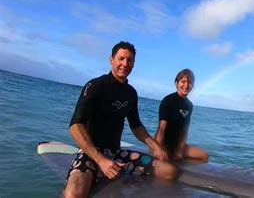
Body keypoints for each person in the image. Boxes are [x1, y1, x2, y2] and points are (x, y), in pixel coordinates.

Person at [64, 41, 176, 198]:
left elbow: (136, 126)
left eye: (129, 60)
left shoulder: (131, 93)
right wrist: (101, 160)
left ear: (133, 64)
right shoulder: (95, 86)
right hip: (91, 154)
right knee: (73, 195)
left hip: (116, 153)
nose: (125, 64)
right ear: (111, 59)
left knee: (168, 171)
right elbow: (75, 125)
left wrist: (156, 147)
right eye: (121, 58)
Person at [154, 69, 208, 165]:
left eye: (190, 82)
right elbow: (161, 129)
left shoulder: (189, 105)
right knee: (166, 163)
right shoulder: (168, 101)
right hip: (163, 144)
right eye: (183, 82)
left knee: (204, 155)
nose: (186, 85)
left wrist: (179, 150)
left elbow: (184, 130)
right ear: (177, 83)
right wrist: (158, 150)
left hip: (177, 145)